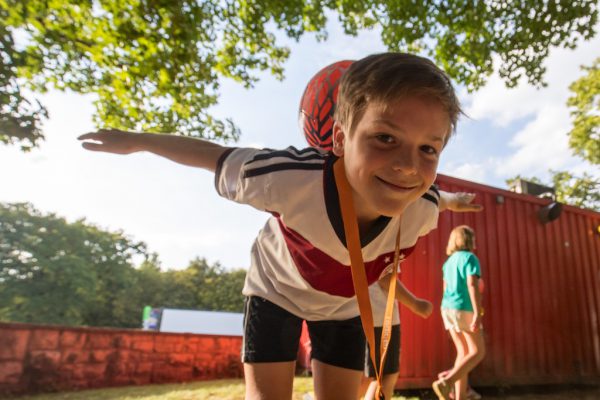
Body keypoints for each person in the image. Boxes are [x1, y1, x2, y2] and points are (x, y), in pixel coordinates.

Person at [79, 52, 481, 400]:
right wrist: (138, 140)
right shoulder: (290, 178)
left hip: (343, 306)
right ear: (339, 139)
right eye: (385, 138)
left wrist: (452, 201)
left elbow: (433, 198)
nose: (409, 165)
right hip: (276, 290)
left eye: (428, 148)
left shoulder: (421, 207)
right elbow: (216, 157)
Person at [432, 226, 485, 400]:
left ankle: (459, 396)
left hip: (447, 308)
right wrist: (477, 312)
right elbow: (472, 284)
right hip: (464, 308)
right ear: (469, 240)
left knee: (463, 353)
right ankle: (447, 382)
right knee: (477, 352)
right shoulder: (470, 258)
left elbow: (446, 288)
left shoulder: (448, 262)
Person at [359, 279, 433, 400]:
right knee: (384, 376)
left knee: (366, 376)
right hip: (381, 316)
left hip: (361, 312)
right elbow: (384, 277)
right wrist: (415, 304)